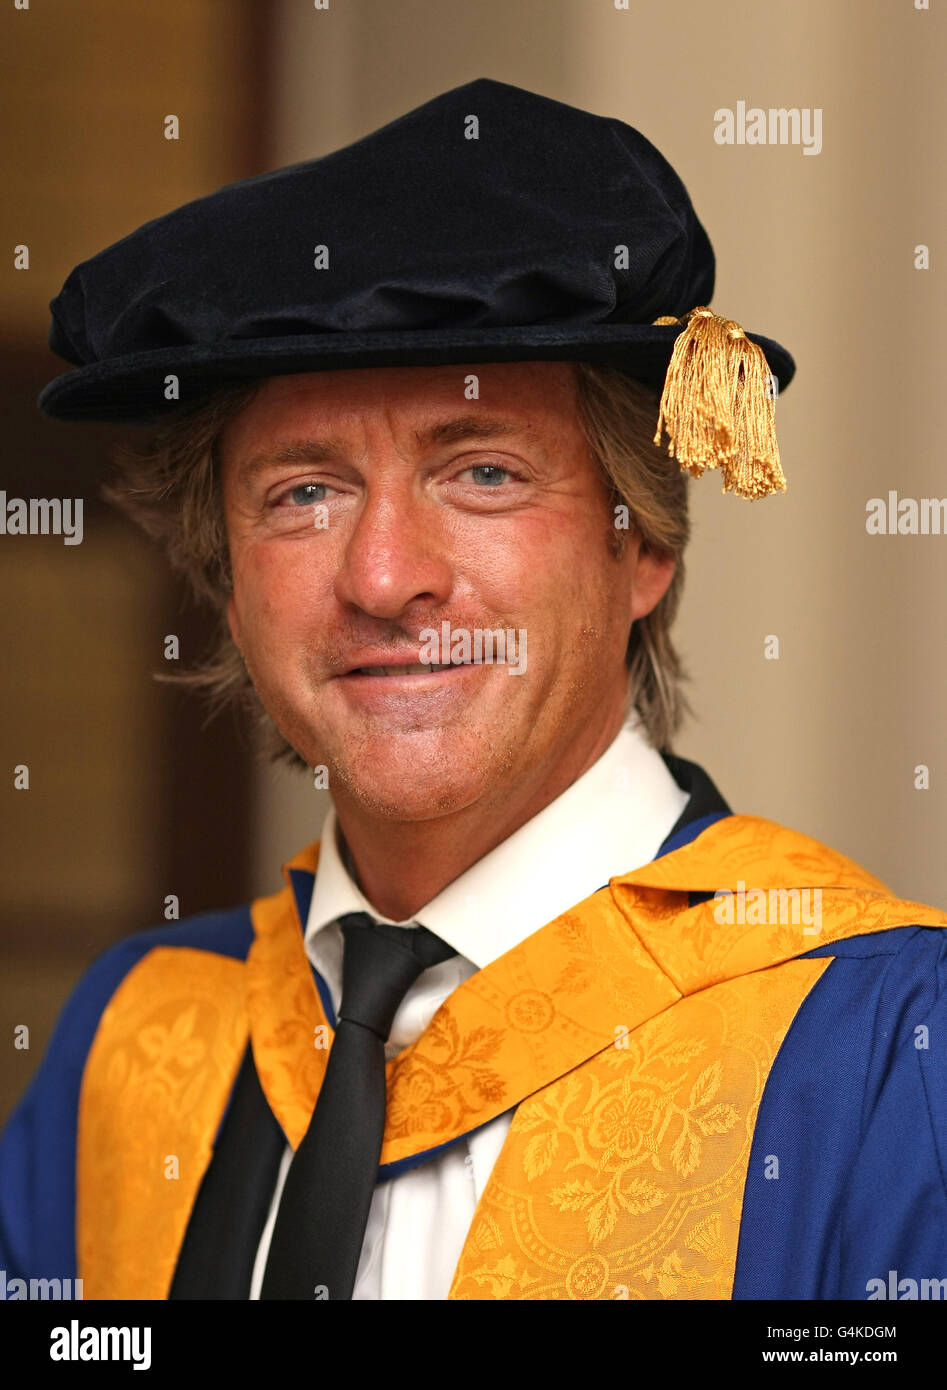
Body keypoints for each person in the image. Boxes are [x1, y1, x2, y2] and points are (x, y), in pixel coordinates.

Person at [2, 77, 945, 1303]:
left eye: (483, 472)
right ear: (225, 580)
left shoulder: (879, 1053)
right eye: (303, 492)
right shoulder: (126, 1045)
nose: (385, 576)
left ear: (643, 541)